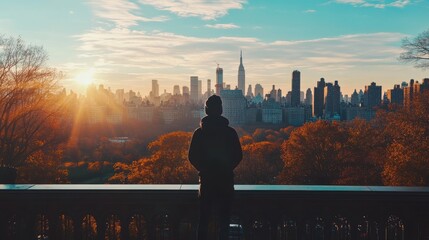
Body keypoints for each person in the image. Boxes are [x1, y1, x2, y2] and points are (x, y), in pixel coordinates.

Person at [188, 95, 242, 240]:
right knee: (224, 222)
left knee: (204, 220)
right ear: (221, 110)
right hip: (226, 182)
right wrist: (227, 168)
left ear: (206, 110)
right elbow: (238, 156)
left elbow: (192, 156)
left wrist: (204, 169)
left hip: (206, 182)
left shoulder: (199, 133)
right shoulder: (230, 132)